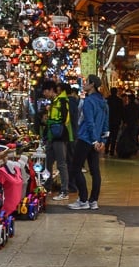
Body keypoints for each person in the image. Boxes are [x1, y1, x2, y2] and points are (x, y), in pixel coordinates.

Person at [68, 75, 109, 210]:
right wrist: (102, 140)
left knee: (75, 168)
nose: (83, 84)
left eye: (86, 82)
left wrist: (94, 140)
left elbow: (90, 122)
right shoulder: (103, 101)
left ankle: (83, 199)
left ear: (92, 85)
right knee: (95, 171)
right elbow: (105, 124)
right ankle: (93, 201)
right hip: (96, 140)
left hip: (86, 138)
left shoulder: (89, 101)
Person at [41, 80, 72, 201]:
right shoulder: (54, 102)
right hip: (51, 137)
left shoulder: (62, 101)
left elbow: (65, 119)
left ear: (50, 90)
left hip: (59, 137)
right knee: (48, 163)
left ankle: (64, 191)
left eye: (45, 91)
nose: (44, 94)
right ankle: (47, 187)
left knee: (61, 164)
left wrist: (51, 122)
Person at [117, 93, 139, 158]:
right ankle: (133, 150)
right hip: (135, 123)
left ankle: (128, 150)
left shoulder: (127, 107)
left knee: (127, 137)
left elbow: (124, 115)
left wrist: (125, 122)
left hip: (128, 124)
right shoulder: (137, 106)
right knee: (134, 137)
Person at [106, 88, 124, 156]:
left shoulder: (107, 100)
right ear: (116, 92)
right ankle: (112, 150)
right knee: (114, 136)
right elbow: (121, 111)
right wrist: (122, 120)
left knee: (107, 135)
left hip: (108, 121)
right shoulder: (119, 101)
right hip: (116, 121)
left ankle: (106, 148)